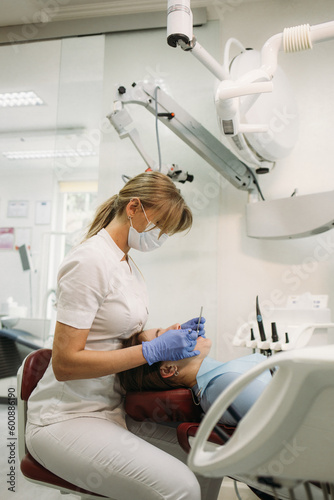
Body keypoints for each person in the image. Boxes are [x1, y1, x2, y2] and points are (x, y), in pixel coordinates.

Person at [25, 172, 221, 500]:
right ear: (133, 207)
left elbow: (114, 333)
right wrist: (152, 351)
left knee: (210, 458)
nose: (161, 237)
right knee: (181, 487)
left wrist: (164, 335)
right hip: (66, 417)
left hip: (111, 407)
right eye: (160, 226)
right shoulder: (90, 261)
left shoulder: (127, 264)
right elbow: (65, 364)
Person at [119, 324, 272, 426]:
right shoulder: (224, 387)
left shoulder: (221, 377)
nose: (178, 327)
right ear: (168, 369)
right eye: (164, 336)